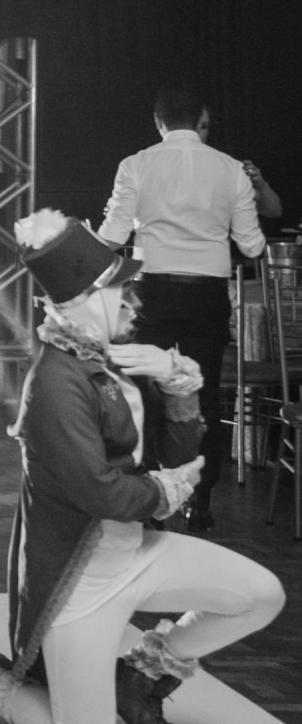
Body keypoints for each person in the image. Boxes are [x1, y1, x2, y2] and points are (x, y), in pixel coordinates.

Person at [0, 209, 285, 724]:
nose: (135, 300)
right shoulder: (53, 383)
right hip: (79, 583)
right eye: (123, 290)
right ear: (90, 299)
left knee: (261, 595)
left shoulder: (113, 361)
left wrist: (178, 386)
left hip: (134, 553)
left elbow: (174, 455)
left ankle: (137, 679)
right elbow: (102, 494)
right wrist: (169, 489)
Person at [98, 85, 265, 534]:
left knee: (144, 390)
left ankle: (150, 490)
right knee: (205, 395)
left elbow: (112, 236)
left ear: (159, 121)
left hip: (152, 290)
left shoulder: (136, 164)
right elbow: (251, 244)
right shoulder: (229, 169)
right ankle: (201, 499)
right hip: (208, 293)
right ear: (200, 120)